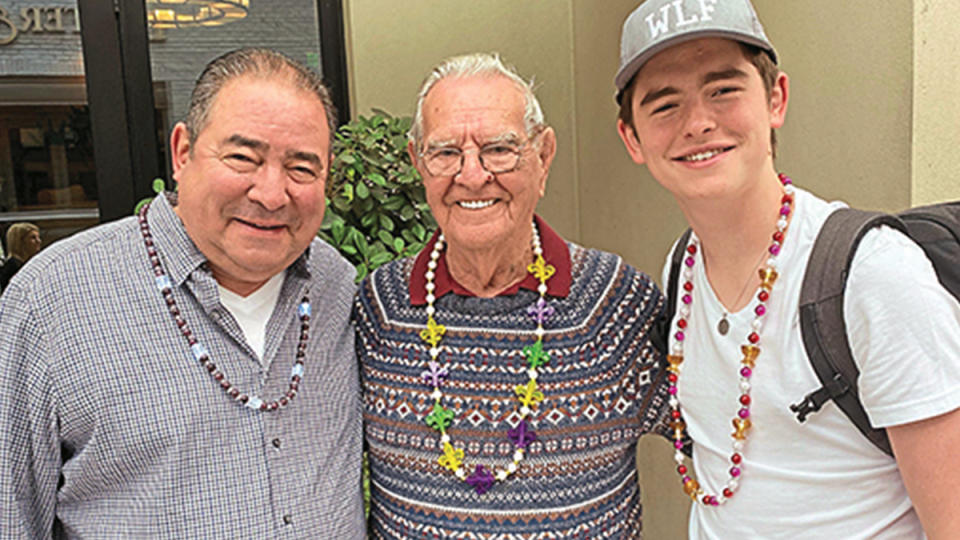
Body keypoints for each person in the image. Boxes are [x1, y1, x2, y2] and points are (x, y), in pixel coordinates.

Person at [615, 1, 960, 538]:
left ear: (775, 99)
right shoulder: (681, 267)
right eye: (664, 105)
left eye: (723, 90)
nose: (698, 123)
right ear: (632, 138)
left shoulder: (872, 276)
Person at [0, 48, 364, 538]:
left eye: (302, 168)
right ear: (182, 152)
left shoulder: (336, 286)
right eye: (242, 157)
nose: (272, 194)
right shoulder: (51, 302)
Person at [354, 52, 670, 539]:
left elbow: (728, 437)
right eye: (445, 153)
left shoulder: (616, 304)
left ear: (543, 157)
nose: (473, 175)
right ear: (419, 163)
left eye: (499, 149)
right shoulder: (378, 309)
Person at [0, 222, 41, 292]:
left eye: (38, 237)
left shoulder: (28, 264)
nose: (39, 241)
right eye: (33, 238)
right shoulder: (12, 267)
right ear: (20, 241)